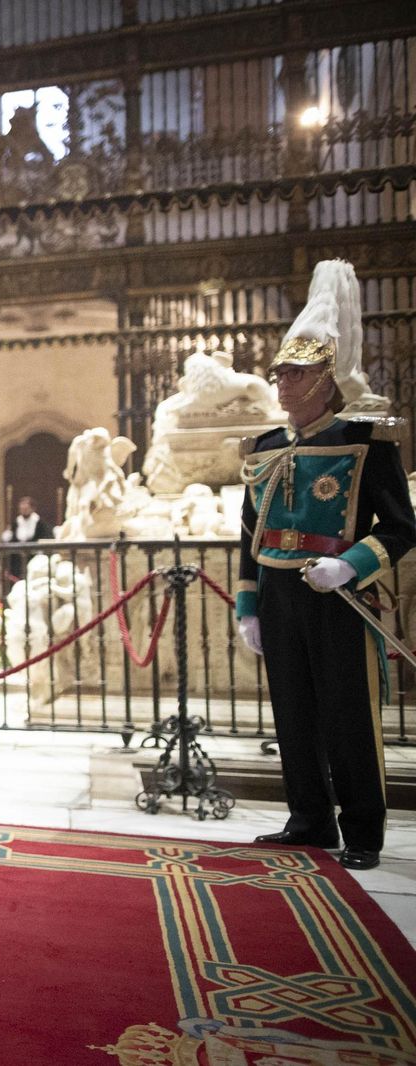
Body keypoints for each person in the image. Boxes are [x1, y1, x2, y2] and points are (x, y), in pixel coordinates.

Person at [236, 259, 414, 872]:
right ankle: (308, 819)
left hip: (336, 597)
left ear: (324, 381)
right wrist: (248, 607)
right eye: (280, 374)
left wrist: (351, 566)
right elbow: (247, 536)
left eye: (295, 374)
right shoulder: (264, 450)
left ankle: (362, 831)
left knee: (347, 715)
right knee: (294, 713)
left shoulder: (365, 443)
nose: (282, 384)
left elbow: (400, 528)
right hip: (281, 595)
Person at [1, 495, 52, 581]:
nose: (24, 510)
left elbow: (46, 537)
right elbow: (12, 538)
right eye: (22, 508)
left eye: (26, 508)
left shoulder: (39, 523)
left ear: (32, 509)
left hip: (33, 556)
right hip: (17, 558)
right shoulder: (16, 522)